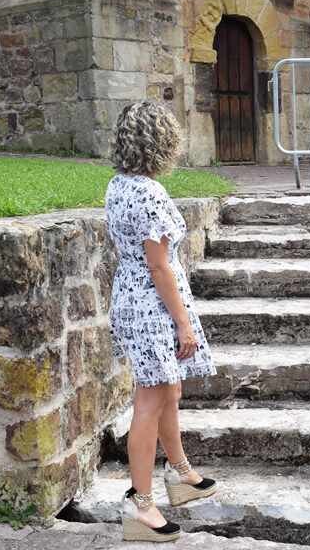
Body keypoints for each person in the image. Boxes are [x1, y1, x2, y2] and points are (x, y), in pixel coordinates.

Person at [105, 101, 218, 542]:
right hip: (152, 303)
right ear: (163, 141)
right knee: (150, 401)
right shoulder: (150, 193)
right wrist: (184, 324)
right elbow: (159, 267)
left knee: (169, 387)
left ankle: (180, 472)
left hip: (132, 297)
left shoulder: (119, 185)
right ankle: (140, 503)